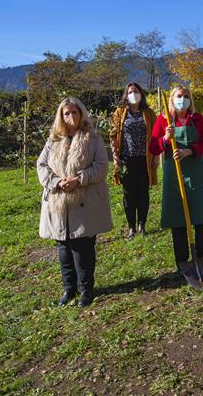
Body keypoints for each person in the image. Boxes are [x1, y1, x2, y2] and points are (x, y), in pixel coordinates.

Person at [37, 97, 113, 307]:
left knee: (83, 248)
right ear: (60, 116)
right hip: (59, 202)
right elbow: (41, 166)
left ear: (81, 114)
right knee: (63, 248)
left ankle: (86, 289)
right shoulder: (53, 140)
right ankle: (68, 288)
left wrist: (79, 179)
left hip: (85, 201)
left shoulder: (93, 138)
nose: (70, 116)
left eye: (74, 112)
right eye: (66, 113)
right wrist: (56, 182)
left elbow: (100, 166)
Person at [149, 86, 203, 272]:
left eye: (186, 96)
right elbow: (153, 147)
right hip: (174, 174)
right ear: (172, 99)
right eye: (179, 96)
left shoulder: (197, 119)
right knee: (178, 216)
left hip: (196, 171)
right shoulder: (164, 120)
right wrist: (165, 138)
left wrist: (190, 150)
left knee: (201, 215)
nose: (183, 99)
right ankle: (182, 261)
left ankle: (202, 256)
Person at [109, 82, 158, 239]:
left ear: (141, 94)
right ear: (126, 95)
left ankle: (141, 224)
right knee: (129, 195)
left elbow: (156, 136)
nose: (133, 94)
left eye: (136, 91)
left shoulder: (149, 113)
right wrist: (116, 157)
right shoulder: (119, 113)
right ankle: (131, 227)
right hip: (126, 159)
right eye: (130, 92)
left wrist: (156, 156)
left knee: (143, 193)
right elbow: (113, 136)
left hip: (145, 159)